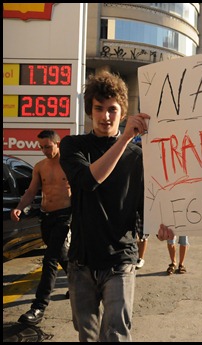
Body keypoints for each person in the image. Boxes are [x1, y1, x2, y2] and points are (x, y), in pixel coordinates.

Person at [59, 71, 150, 342]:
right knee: (87, 335)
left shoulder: (137, 156)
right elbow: (88, 180)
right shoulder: (73, 145)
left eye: (112, 109)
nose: (105, 116)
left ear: (123, 113)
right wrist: (125, 140)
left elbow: (145, 207)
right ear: (90, 110)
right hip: (81, 260)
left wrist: (164, 224)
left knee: (117, 334)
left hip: (120, 259)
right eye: (99, 108)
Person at [12, 130, 72, 326]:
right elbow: (31, 191)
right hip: (46, 217)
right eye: (41, 147)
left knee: (50, 259)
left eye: (48, 146)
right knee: (61, 255)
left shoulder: (69, 164)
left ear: (57, 144)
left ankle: (38, 307)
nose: (44, 150)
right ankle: (79, 283)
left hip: (65, 216)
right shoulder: (40, 167)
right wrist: (20, 208)